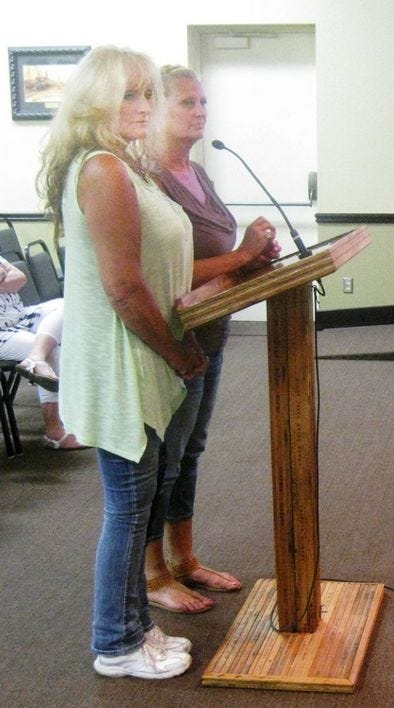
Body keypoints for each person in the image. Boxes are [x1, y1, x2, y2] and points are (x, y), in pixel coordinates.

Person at [37, 45, 207, 680]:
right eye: (127, 94)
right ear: (95, 101)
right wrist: (180, 354)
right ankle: (115, 643)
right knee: (129, 509)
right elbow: (124, 289)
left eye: (147, 93)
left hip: (138, 357)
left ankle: (135, 628)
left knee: (137, 506)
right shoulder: (104, 169)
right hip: (124, 363)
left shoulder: (119, 166)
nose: (143, 106)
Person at [143, 64, 279, 614]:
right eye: (187, 103)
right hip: (174, 337)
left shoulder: (198, 171)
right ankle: (154, 575)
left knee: (191, 453)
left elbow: (218, 252)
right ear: (154, 107)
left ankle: (185, 560)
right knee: (166, 457)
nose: (200, 112)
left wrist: (254, 256)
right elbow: (164, 270)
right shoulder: (146, 179)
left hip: (214, 329)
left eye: (203, 103)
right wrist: (242, 254)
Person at [0, 258, 83, 448]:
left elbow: (20, 278)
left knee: (70, 304)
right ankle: (54, 430)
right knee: (49, 347)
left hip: (21, 315)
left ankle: (35, 358)